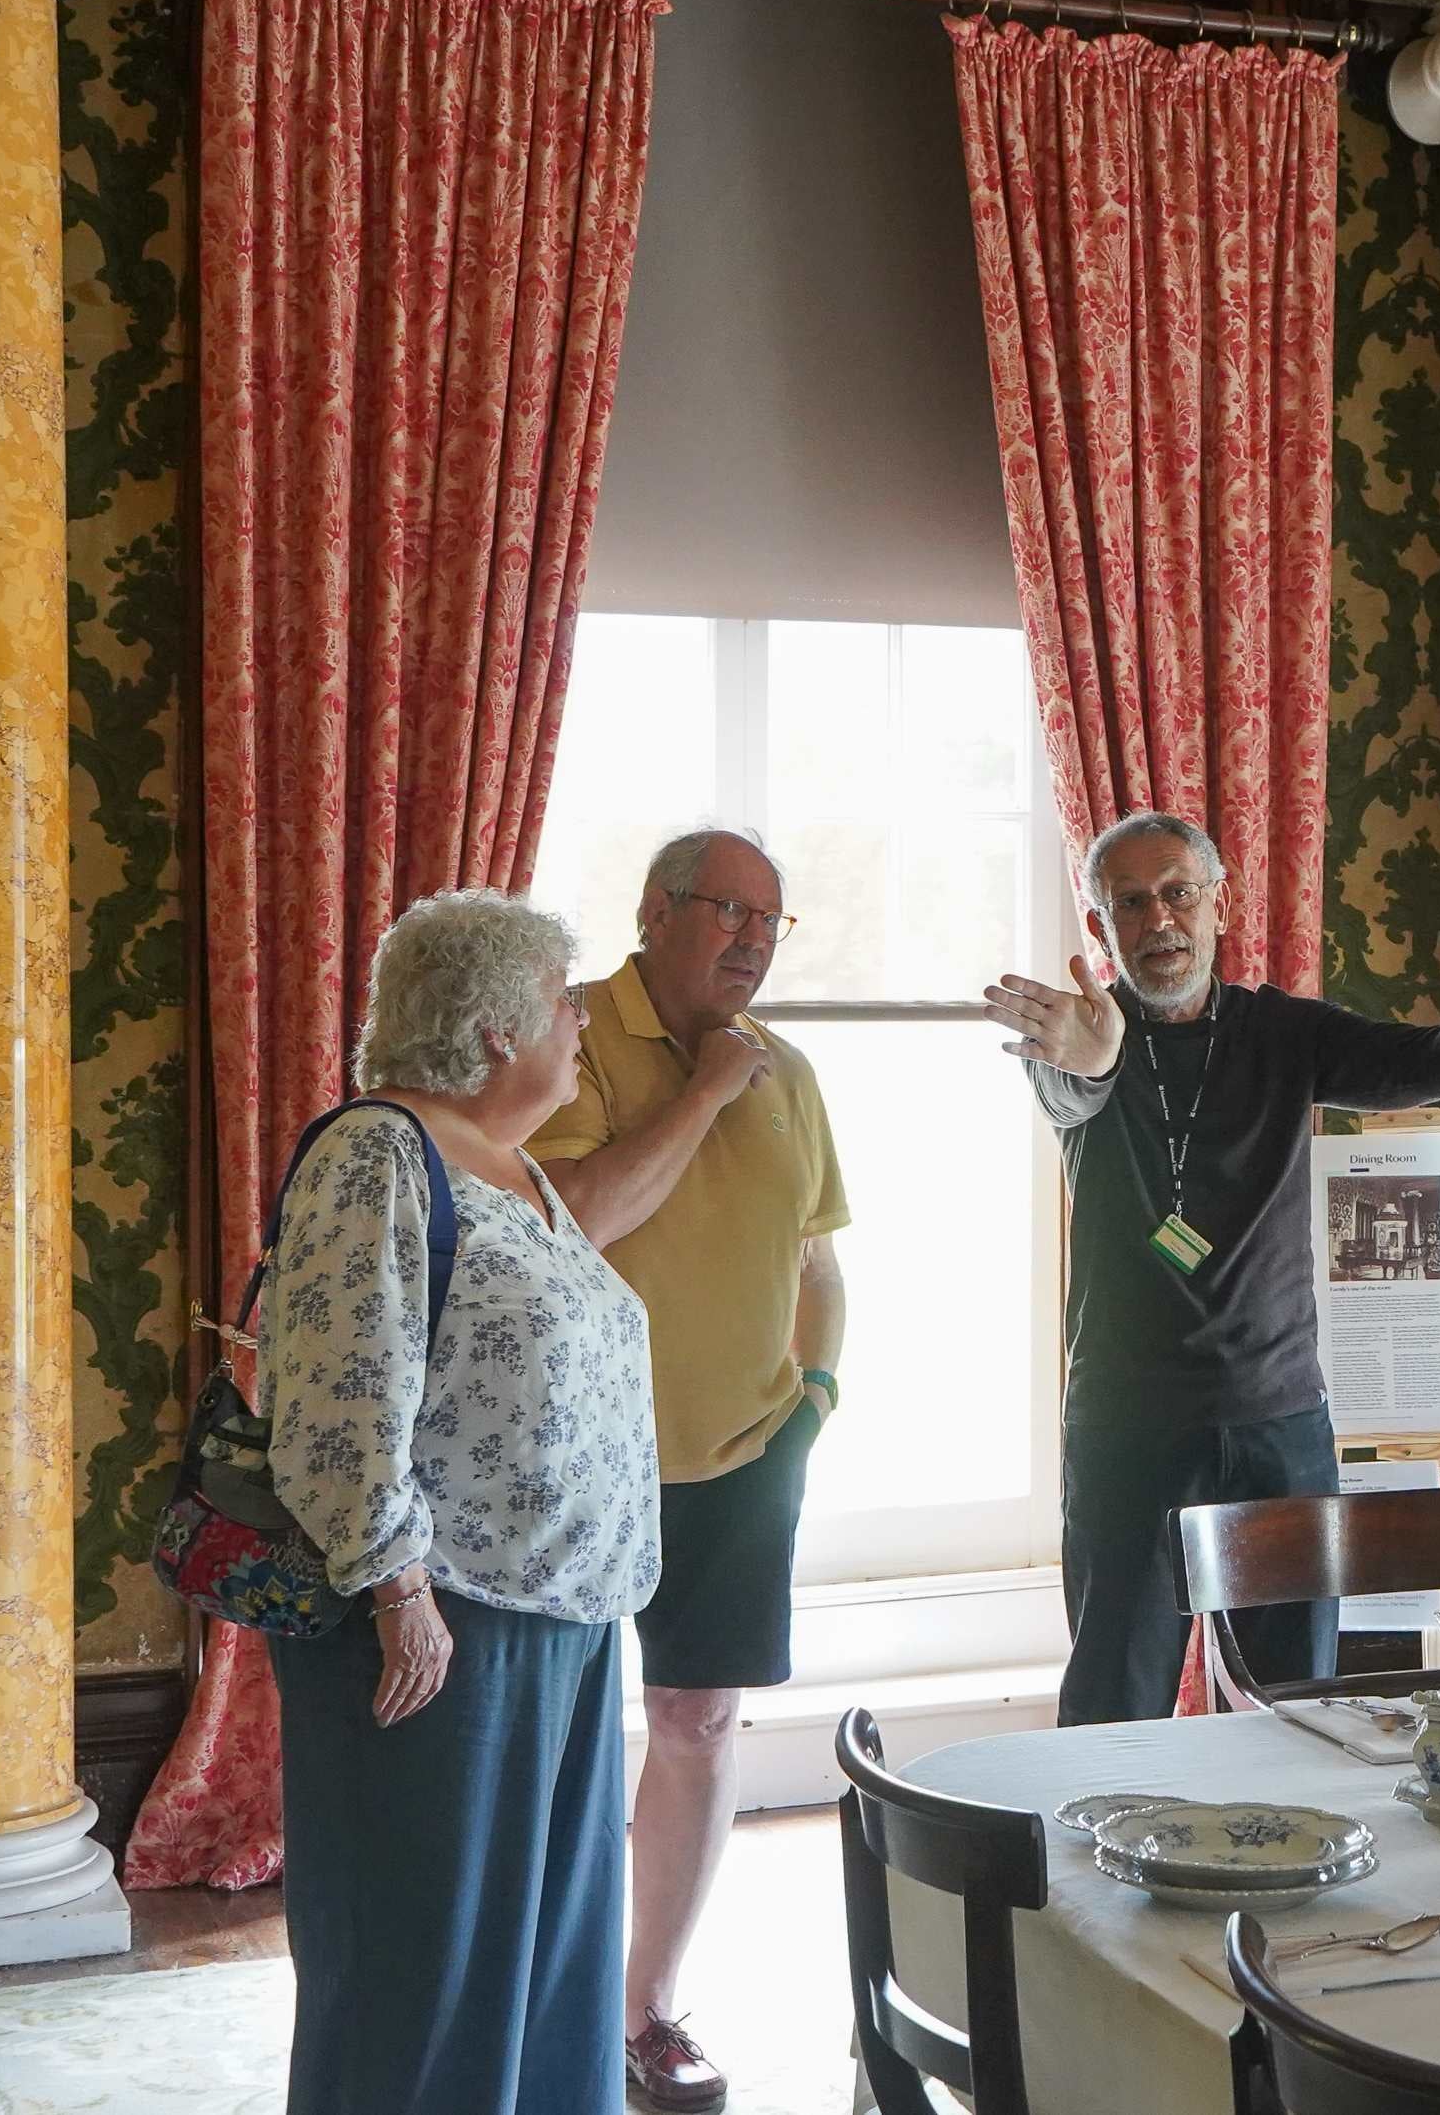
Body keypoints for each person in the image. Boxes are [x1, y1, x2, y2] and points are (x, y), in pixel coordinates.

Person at [984, 809, 1440, 1725]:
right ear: (1100, 925)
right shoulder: (1083, 1037)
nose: (1159, 921)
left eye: (1177, 894)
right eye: (1131, 902)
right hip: (1129, 1431)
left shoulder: (1280, 1034)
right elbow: (1069, 1090)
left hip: (1281, 1422)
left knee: (1299, 1706)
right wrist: (1095, 1061)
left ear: (1217, 904)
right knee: (1117, 1701)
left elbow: (1413, 1063)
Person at [260, 889, 658, 2115]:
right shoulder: (379, 1150)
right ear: (495, 1030)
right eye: (558, 1000)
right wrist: (399, 1587)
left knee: (550, 1968)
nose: (580, 1020)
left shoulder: (513, 1164)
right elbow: (337, 1386)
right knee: (421, 1972)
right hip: (439, 1627)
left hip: (562, 1621)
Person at [528, 828, 848, 2115]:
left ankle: (645, 2007)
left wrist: (814, 1398)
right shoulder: (565, 1039)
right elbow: (582, 1215)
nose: (754, 941)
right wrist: (706, 1089)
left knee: (700, 1724)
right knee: (554, 1739)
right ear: (656, 910)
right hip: (571, 1462)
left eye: (773, 922)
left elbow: (821, 1264)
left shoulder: (792, 1071)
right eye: (729, 912)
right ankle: (547, 2010)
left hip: (747, 1455)